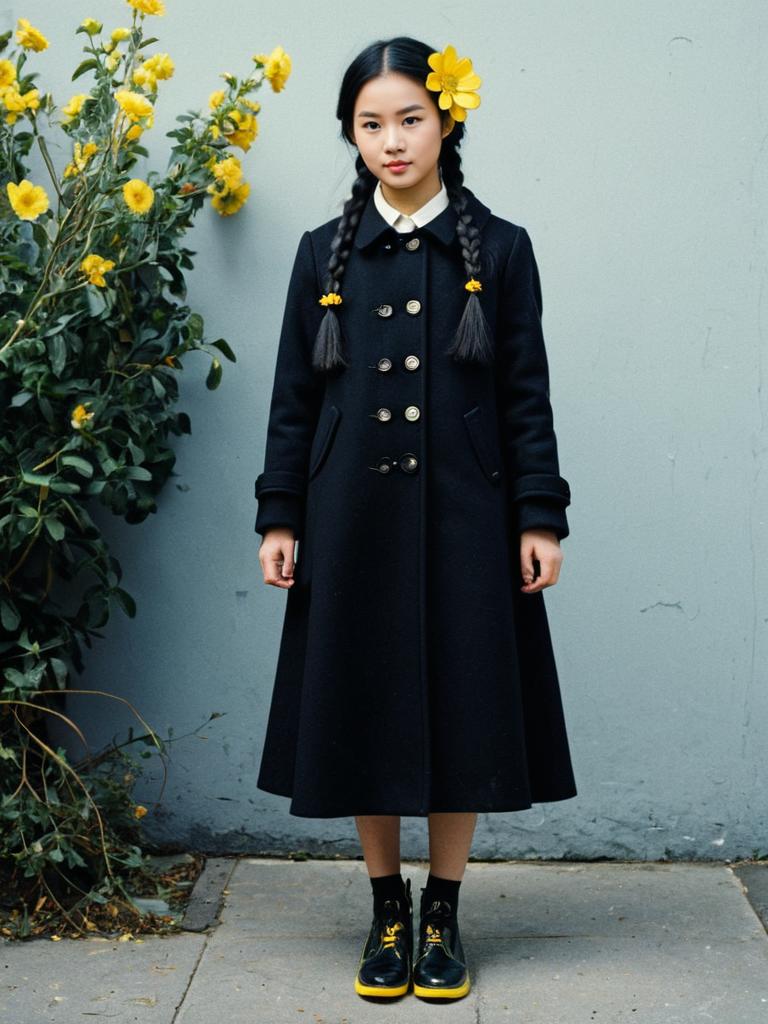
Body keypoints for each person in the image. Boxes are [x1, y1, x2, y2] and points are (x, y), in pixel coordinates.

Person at [254, 36, 577, 1002]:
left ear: (446, 123)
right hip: (348, 516)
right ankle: (383, 906)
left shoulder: (501, 248)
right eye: (371, 124)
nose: (392, 142)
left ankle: (444, 908)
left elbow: (526, 394)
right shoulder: (326, 252)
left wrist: (539, 517)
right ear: (351, 135)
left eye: (410, 120)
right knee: (359, 699)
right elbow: (291, 398)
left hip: (470, 519)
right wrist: (281, 511)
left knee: (465, 706)